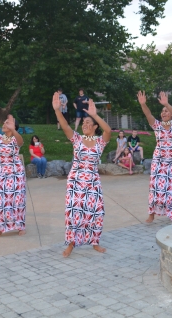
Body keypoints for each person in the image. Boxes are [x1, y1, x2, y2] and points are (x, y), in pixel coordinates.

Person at [53, 91, 111, 257]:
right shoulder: (77, 139)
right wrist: (58, 110)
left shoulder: (100, 142)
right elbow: (65, 126)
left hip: (92, 182)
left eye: (88, 122)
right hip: (76, 181)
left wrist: (95, 115)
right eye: (83, 122)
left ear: (94, 127)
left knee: (96, 212)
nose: (84, 124)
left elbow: (108, 131)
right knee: (74, 213)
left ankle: (94, 242)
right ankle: (71, 243)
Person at [138, 91, 172, 223]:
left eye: (166, 111)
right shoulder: (157, 126)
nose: (164, 113)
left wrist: (167, 104)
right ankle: (152, 213)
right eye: (162, 111)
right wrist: (143, 104)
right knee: (156, 188)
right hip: (159, 161)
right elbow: (148, 114)